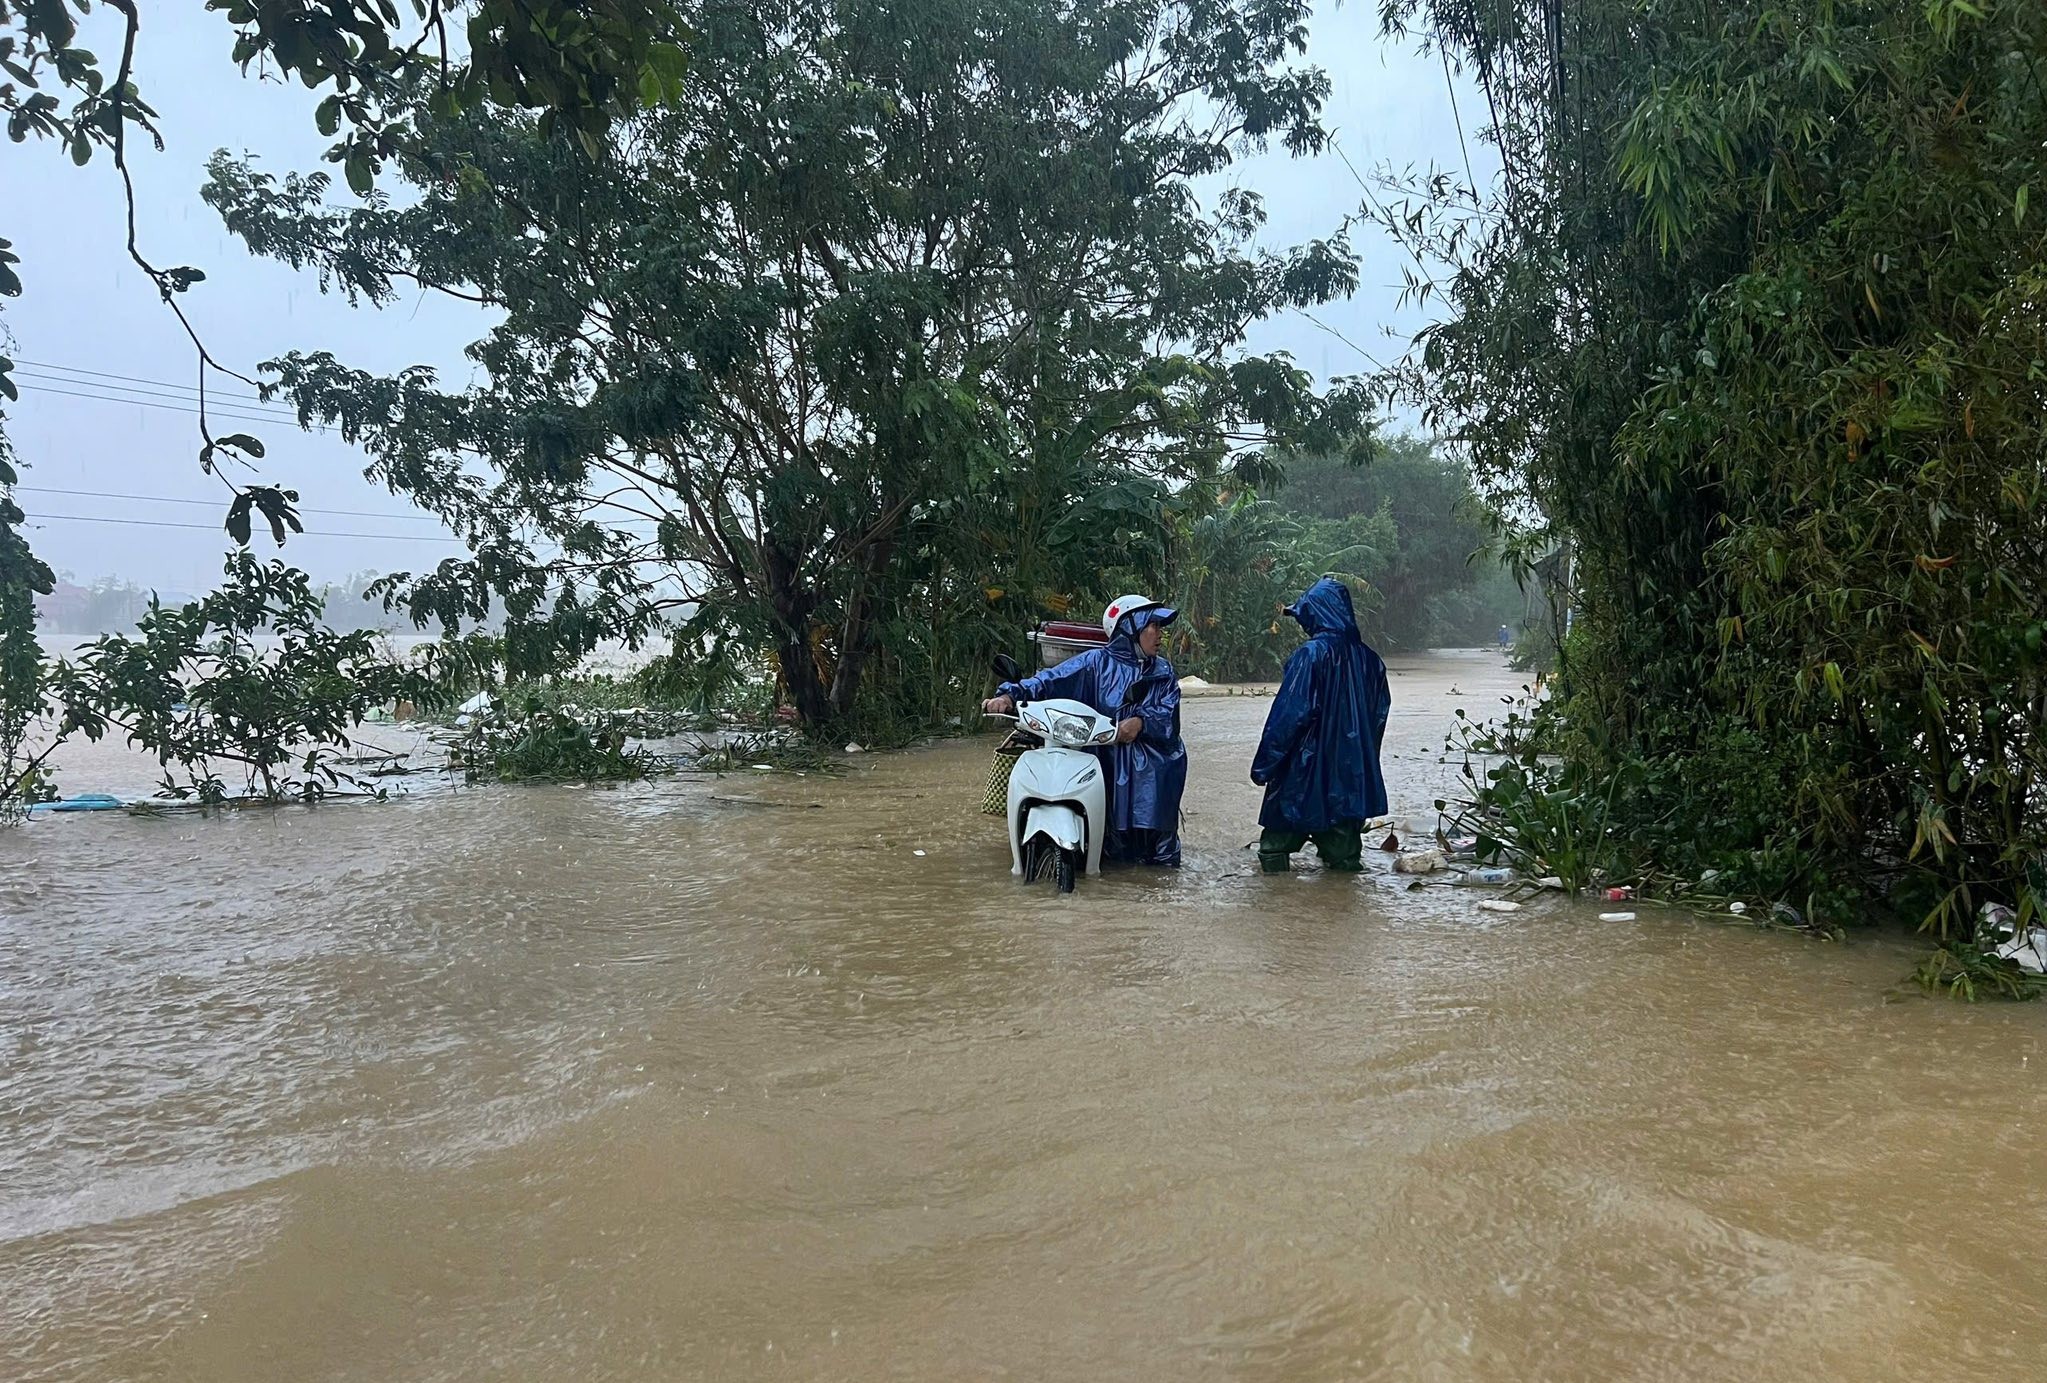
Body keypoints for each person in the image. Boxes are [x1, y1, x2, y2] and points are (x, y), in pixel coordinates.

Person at [981, 595, 1187, 867]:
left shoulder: (1163, 672)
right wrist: (1009, 696)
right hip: (1107, 765)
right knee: (1104, 850)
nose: (1160, 634)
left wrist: (1141, 722)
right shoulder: (1094, 663)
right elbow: (1049, 680)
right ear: (1131, 628)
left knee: (1160, 864)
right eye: (1153, 626)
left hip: (1153, 775)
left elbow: (1169, 716)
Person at [1251, 577, 1390, 874]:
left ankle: (1274, 915)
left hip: (1303, 776)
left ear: (1318, 613)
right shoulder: (1371, 661)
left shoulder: (1310, 655)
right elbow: (1377, 722)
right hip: (1349, 779)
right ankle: (1342, 916)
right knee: (1345, 860)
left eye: (1306, 615)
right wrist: (1363, 769)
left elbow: (1289, 716)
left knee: (1275, 849)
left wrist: (1265, 765)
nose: (1303, 623)